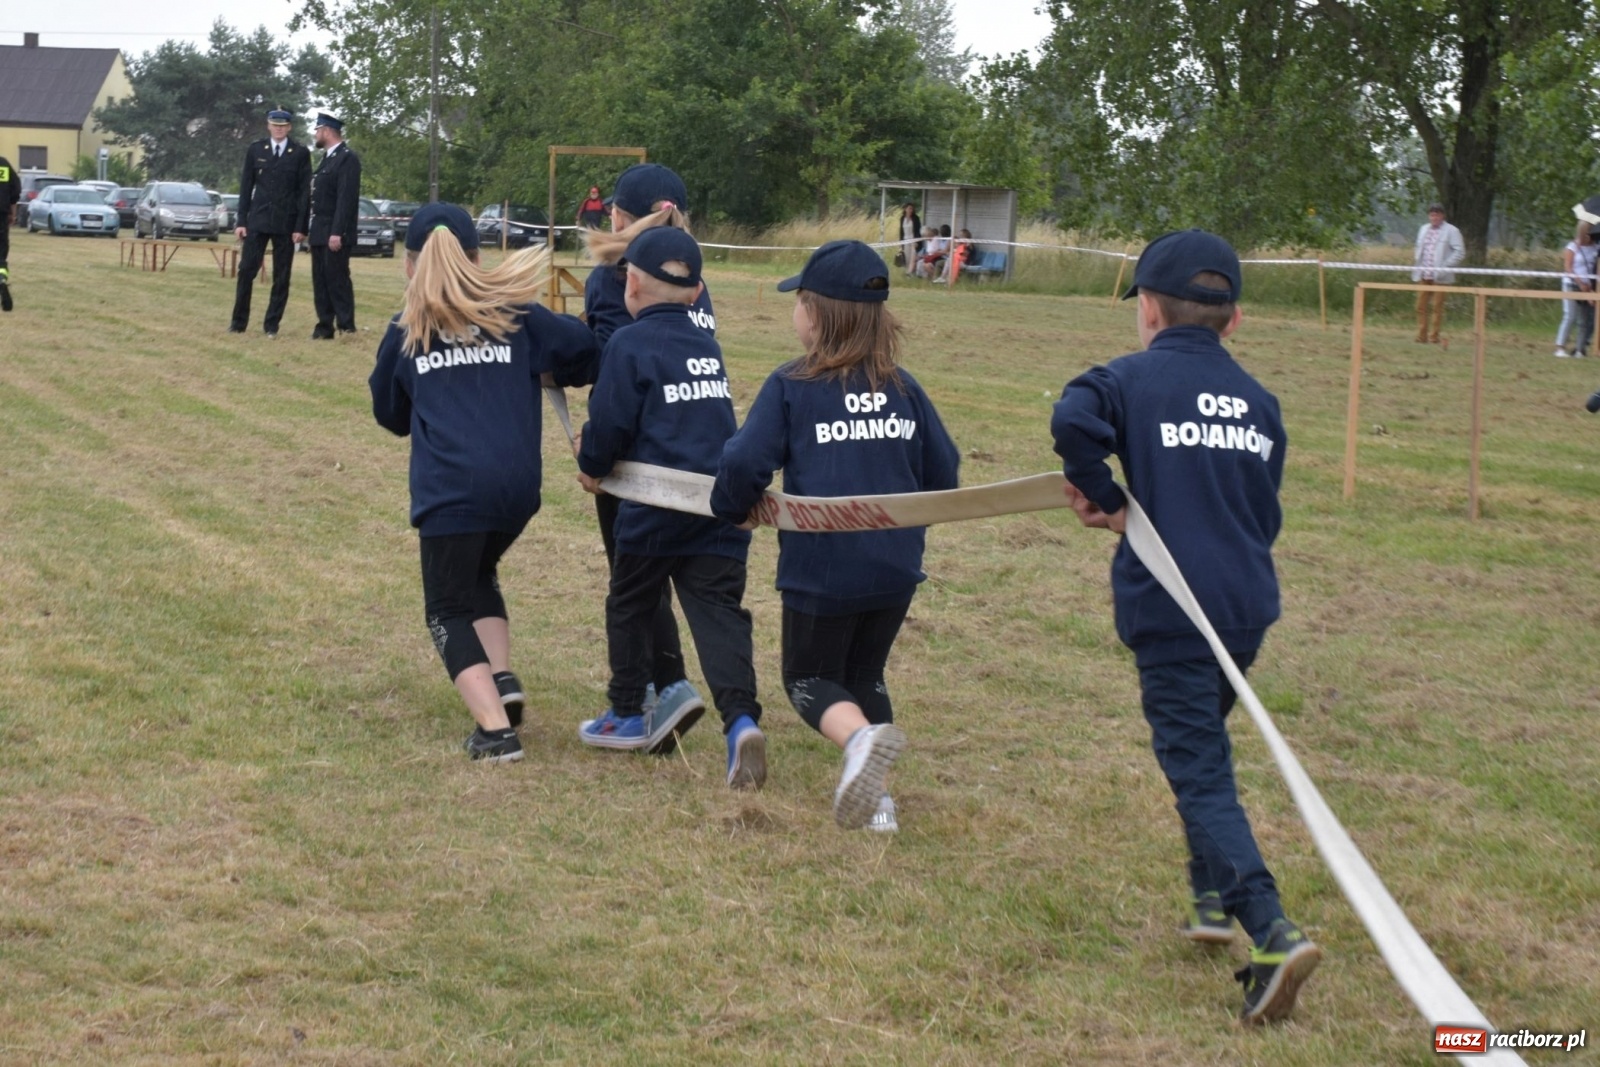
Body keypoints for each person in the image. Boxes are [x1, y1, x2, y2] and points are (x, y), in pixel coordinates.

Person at [1050, 229, 1320, 1024]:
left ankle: (1268, 930)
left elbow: (1072, 416)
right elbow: (1259, 506)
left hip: (1173, 610)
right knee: (1202, 749)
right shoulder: (1261, 404)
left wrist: (1102, 494)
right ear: (1234, 321)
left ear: (1147, 309)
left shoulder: (1126, 379)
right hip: (1243, 610)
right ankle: (1209, 893)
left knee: (1198, 766)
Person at [712, 241, 960, 830]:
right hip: (897, 566)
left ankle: (859, 748)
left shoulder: (792, 385)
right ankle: (878, 802)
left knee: (807, 681)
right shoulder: (905, 388)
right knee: (863, 676)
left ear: (817, 315)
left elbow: (745, 463)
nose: (793, 312)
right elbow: (944, 474)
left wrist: (733, 508)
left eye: (798, 300)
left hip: (823, 569)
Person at [368, 203, 599, 761]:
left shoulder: (406, 331)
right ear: (477, 258)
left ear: (409, 266)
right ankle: (501, 680)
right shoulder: (517, 315)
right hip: (517, 491)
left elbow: (391, 415)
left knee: (445, 607)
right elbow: (586, 352)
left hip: (452, 494)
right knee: (479, 572)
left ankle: (495, 732)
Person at [574, 227, 766, 788]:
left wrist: (593, 464)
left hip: (655, 508)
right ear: (697, 290)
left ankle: (628, 712)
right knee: (718, 614)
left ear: (629, 284)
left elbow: (609, 423)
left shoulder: (627, 346)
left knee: (630, 603)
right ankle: (742, 723)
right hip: (717, 506)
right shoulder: (707, 344)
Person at [578, 163, 717, 749]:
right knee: (662, 574)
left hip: (633, 449)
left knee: (632, 577)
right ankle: (667, 686)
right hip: (697, 437)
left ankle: (659, 691)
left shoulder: (615, 275)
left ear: (617, 214)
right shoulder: (693, 275)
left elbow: (615, 359)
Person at [228, 107, 311, 338]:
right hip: (258, 219)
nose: (278, 129)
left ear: (289, 127)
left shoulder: (300, 153)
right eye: (275, 125)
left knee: (282, 276)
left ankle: (271, 325)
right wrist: (241, 220)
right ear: (268, 125)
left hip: (286, 222)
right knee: (246, 271)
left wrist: (300, 227)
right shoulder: (256, 150)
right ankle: (238, 322)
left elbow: (304, 193)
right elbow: (246, 187)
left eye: (283, 126)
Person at [308, 111, 362, 339]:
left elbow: (345, 199)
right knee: (320, 280)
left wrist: (337, 232)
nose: (316, 135)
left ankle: (346, 325)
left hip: (335, 231)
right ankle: (324, 325)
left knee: (337, 279)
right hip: (320, 229)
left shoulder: (347, 158)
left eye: (318, 131)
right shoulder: (327, 158)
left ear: (327, 131)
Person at [1411, 203, 1465, 344]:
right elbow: (1418, 248)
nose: (1434, 217)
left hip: (1441, 277)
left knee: (1437, 307)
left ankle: (1434, 336)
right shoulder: (1423, 229)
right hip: (1423, 274)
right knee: (1420, 306)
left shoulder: (1452, 231)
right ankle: (1421, 336)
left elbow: (1459, 252)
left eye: (1437, 214)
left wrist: (1444, 266)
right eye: (1432, 215)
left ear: (1443, 216)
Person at [1554, 221, 1596, 358]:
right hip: (1571, 284)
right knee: (1570, 316)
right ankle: (1560, 347)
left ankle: (1580, 349)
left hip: (1588, 287)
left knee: (1585, 319)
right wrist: (1579, 282)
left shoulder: (1596, 248)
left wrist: (1590, 286)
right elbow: (1568, 267)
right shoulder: (1572, 247)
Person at [0, 152, 18, 312]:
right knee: (0, 253)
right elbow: (15, 189)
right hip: (1, 215)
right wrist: (12, 212)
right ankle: (1, 279)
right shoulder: (3, 164)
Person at [896, 201, 923, 275]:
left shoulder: (915, 218)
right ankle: (907, 272)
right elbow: (901, 231)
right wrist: (900, 243)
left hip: (913, 240)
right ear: (905, 209)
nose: (911, 210)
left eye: (912, 209)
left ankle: (912, 272)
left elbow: (918, 230)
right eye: (909, 208)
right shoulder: (902, 218)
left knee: (913, 256)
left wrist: (917, 241)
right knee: (906, 257)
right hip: (905, 240)